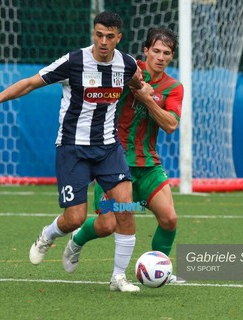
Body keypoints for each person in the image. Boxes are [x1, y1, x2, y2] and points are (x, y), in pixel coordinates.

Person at [0, 11, 144, 292]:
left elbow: (136, 81)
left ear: (119, 38)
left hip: (108, 148)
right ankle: (48, 235)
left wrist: (142, 85)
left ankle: (118, 277)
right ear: (93, 33)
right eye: (98, 34)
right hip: (72, 148)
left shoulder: (125, 64)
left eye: (109, 36)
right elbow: (29, 83)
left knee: (124, 209)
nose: (103, 41)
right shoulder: (74, 61)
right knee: (75, 218)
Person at [65, 27, 185, 285]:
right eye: (156, 51)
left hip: (148, 165)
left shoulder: (174, 88)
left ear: (171, 57)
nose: (160, 57)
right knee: (107, 224)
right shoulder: (126, 70)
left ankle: (159, 268)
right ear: (146, 51)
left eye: (166, 53)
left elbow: (171, 125)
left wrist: (147, 99)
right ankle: (77, 240)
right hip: (114, 162)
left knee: (169, 218)